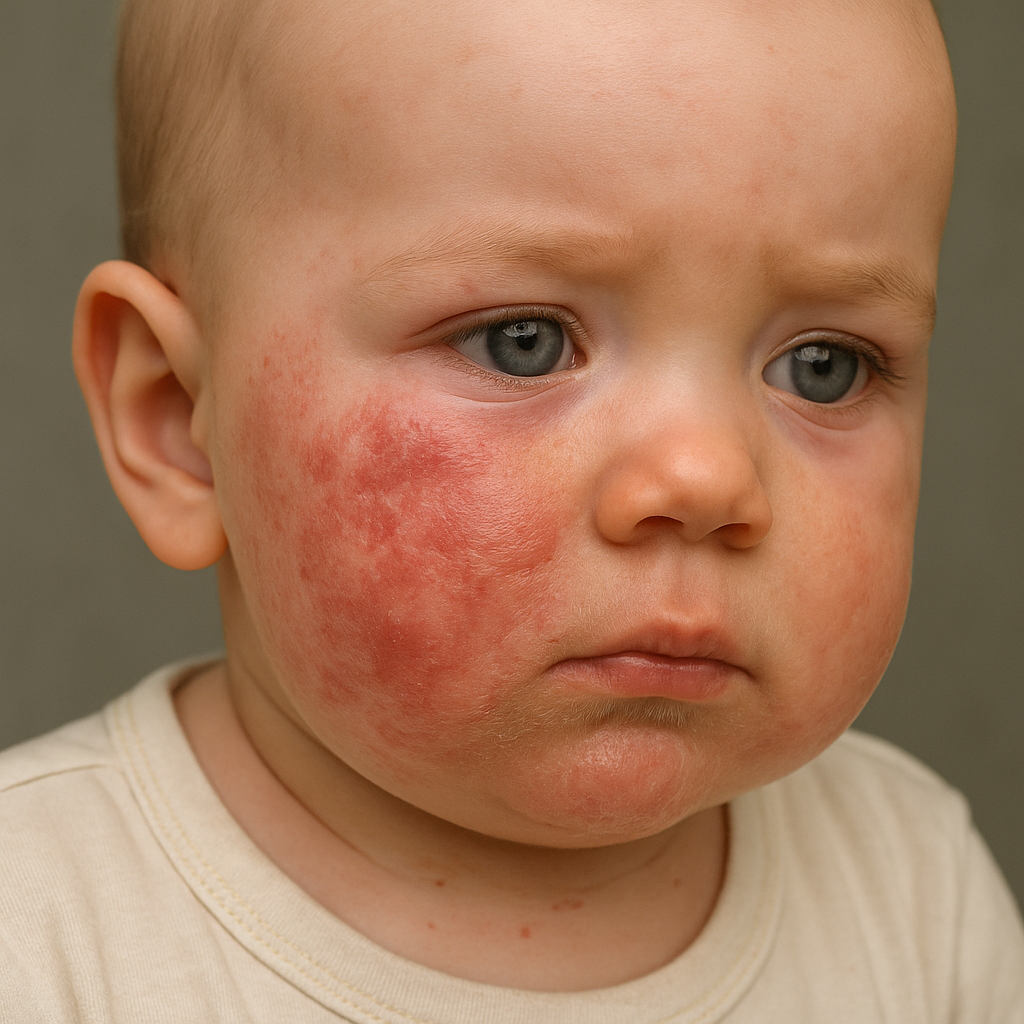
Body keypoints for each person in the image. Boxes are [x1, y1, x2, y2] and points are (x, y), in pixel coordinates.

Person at [1, 0, 1022, 1019]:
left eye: (823, 365)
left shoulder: (915, 894)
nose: (708, 478)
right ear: (179, 417)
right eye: (520, 339)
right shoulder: (41, 935)